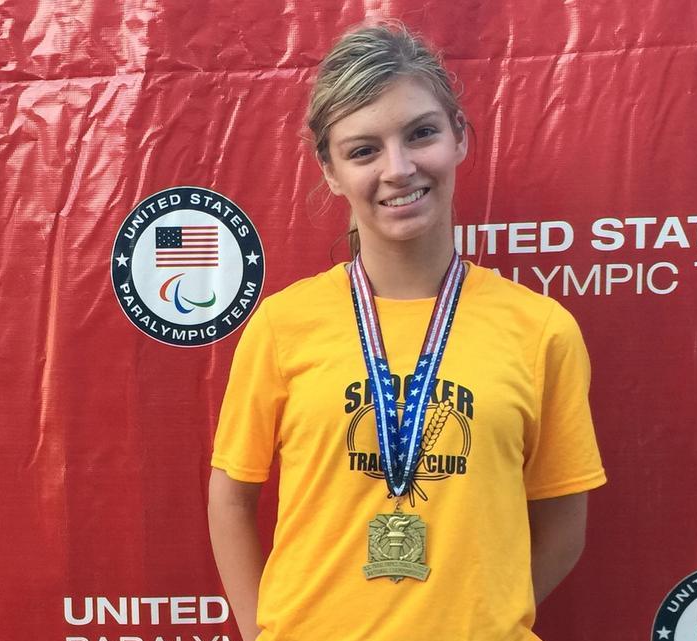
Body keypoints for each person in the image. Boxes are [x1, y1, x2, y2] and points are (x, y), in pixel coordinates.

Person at [207, 20, 606, 641]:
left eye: (421, 133)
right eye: (363, 150)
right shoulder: (283, 326)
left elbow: (563, 522)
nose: (399, 168)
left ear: (458, 137)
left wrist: (481, 618)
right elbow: (231, 498)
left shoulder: (541, 330)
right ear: (331, 171)